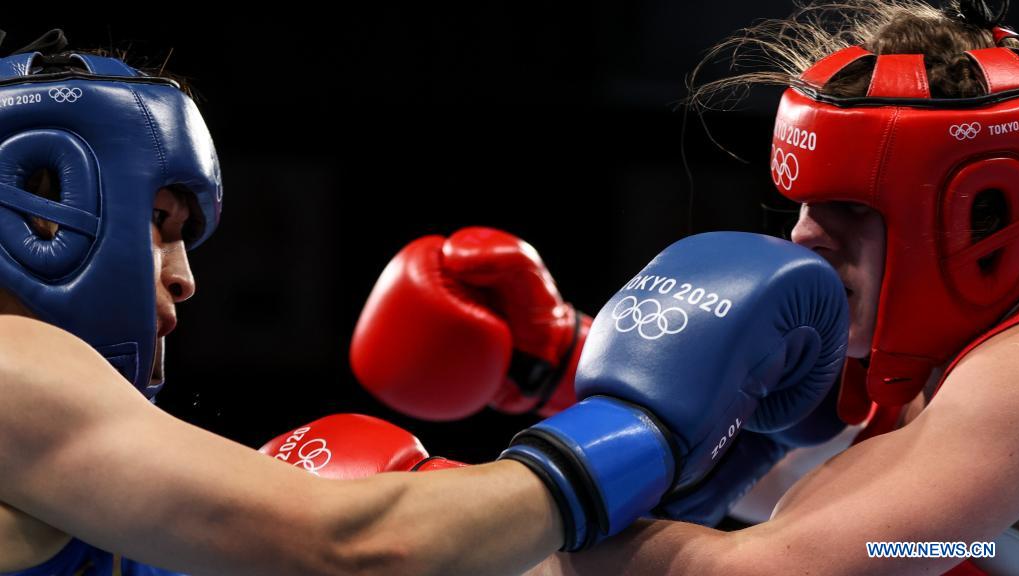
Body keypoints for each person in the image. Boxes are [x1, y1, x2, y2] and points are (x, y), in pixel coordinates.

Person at [0, 28, 847, 576]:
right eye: (156, 224)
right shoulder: (14, 364)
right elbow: (358, 548)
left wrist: (635, 505)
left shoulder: (76, 466)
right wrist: (642, 435)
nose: (184, 276)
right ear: (43, 206)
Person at [352, 1, 1019, 574]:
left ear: (980, 214)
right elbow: (849, 514)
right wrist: (563, 359)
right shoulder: (912, 374)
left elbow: (784, 567)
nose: (804, 236)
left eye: (852, 208)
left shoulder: (1013, 372)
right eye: (806, 205)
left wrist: (459, 515)